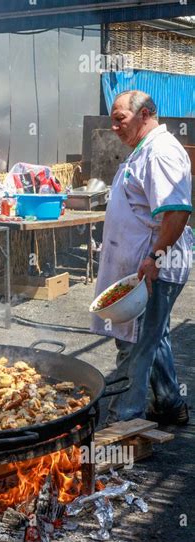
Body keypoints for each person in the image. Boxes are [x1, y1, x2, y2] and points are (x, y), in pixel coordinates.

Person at [91, 90, 192, 426]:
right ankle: (169, 403)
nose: (115, 128)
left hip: (154, 268)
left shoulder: (160, 153)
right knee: (153, 334)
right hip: (143, 265)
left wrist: (153, 257)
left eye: (120, 119)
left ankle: (124, 420)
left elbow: (177, 213)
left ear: (145, 114)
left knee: (135, 343)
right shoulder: (141, 151)